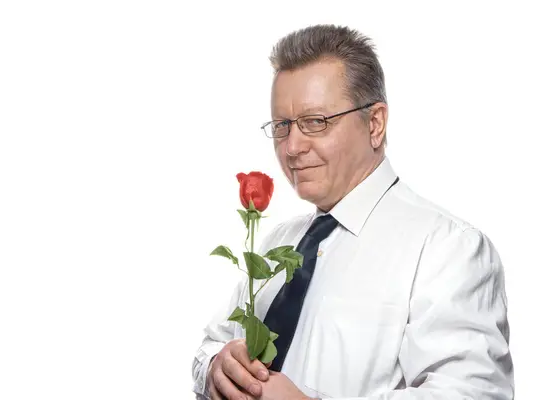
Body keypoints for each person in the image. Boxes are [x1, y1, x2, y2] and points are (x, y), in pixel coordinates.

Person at [191, 24, 514, 400]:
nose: (292, 147)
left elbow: (470, 393)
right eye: (282, 125)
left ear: (374, 123)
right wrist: (216, 368)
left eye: (316, 122)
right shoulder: (277, 242)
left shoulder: (447, 249)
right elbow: (212, 344)